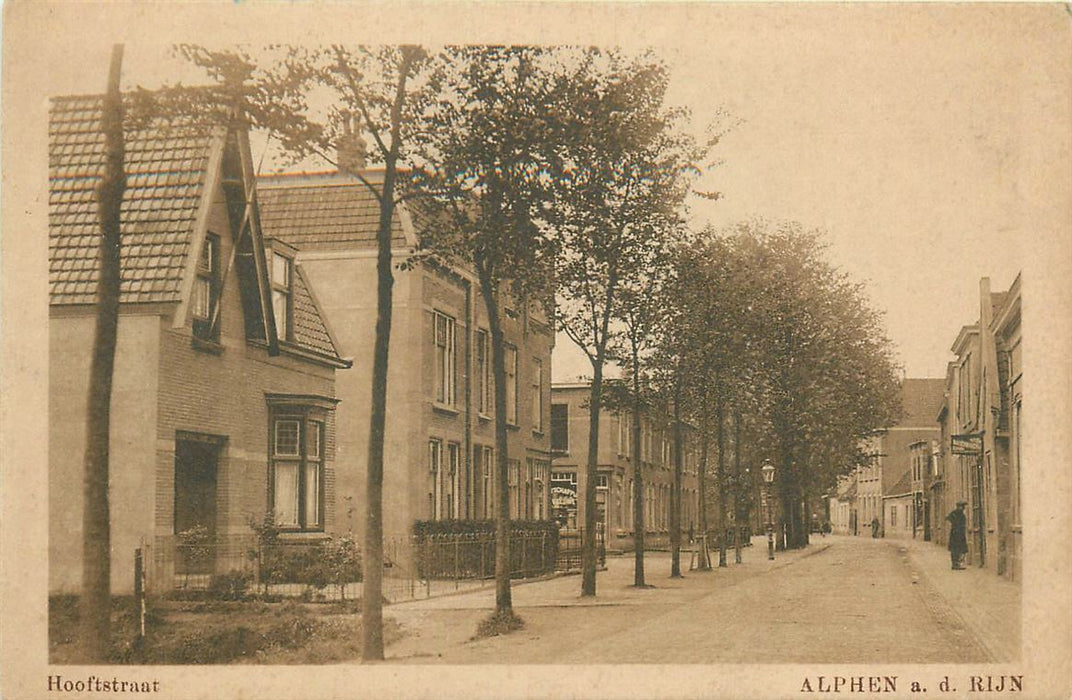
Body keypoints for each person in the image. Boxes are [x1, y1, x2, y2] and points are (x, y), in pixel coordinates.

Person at [946, 501, 968, 570]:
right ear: (959, 507)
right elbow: (948, 518)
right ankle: (955, 564)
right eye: (962, 506)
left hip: (960, 534)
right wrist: (954, 524)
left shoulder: (961, 514)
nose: (963, 508)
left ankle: (958, 563)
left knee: (961, 549)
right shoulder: (955, 513)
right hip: (956, 534)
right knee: (955, 549)